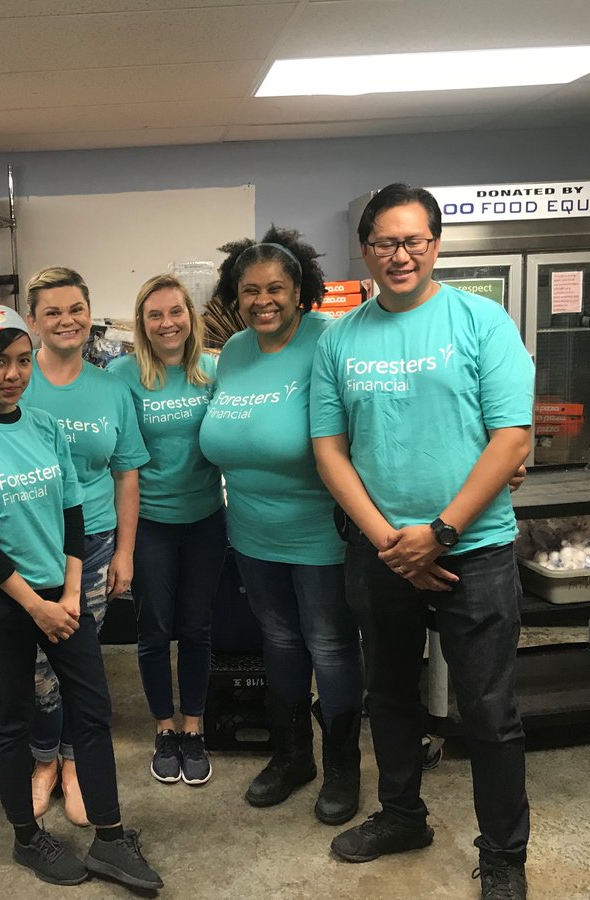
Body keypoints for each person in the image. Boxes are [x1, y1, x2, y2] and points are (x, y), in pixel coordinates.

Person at [311, 183, 534, 900]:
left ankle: (503, 852)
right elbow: (329, 447)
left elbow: (512, 438)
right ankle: (402, 815)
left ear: (436, 245)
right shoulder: (340, 336)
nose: (398, 255)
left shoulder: (481, 321)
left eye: (412, 241)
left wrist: (440, 533)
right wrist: (390, 542)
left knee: (489, 710)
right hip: (382, 553)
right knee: (390, 694)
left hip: (475, 547)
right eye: (384, 242)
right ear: (366, 249)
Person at [0, 305, 163, 890]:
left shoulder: (43, 427)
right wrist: (36, 605)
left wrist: (74, 594)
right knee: (11, 721)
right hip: (6, 603)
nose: (13, 374)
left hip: (66, 598)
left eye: (22, 361)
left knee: (94, 712)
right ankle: (27, 839)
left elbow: (73, 515)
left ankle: (109, 838)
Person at [198, 227, 364, 827]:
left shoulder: (332, 339)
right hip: (251, 532)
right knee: (281, 643)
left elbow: (379, 411)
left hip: (321, 531)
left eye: (275, 289)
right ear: (234, 296)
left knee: (330, 645)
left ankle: (344, 766)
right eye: (249, 290)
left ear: (300, 292)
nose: (262, 300)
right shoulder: (236, 351)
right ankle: (293, 756)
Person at [18, 266, 150, 825]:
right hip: (27, 549)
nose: (66, 321)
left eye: (75, 309)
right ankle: (40, 759)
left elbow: (126, 474)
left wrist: (124, 552)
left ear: (89, 315)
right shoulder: (16, 382)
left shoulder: (111, 388)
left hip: (93, 546)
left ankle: (71, 762)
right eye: (53, 312)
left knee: (77, 663)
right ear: (33, 322)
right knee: (33, 668)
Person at [107, 274, 226, 786]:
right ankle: (164, 727)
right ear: (141, 324)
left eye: (175, 311)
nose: (166, 323)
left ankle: (194, 727)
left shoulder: (214, 370)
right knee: (153, 631)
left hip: (205, 518)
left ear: (190, 316)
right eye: (154, 315)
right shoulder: (121, 374)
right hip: (149, 521)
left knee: (197, 629)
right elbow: (118, 455)